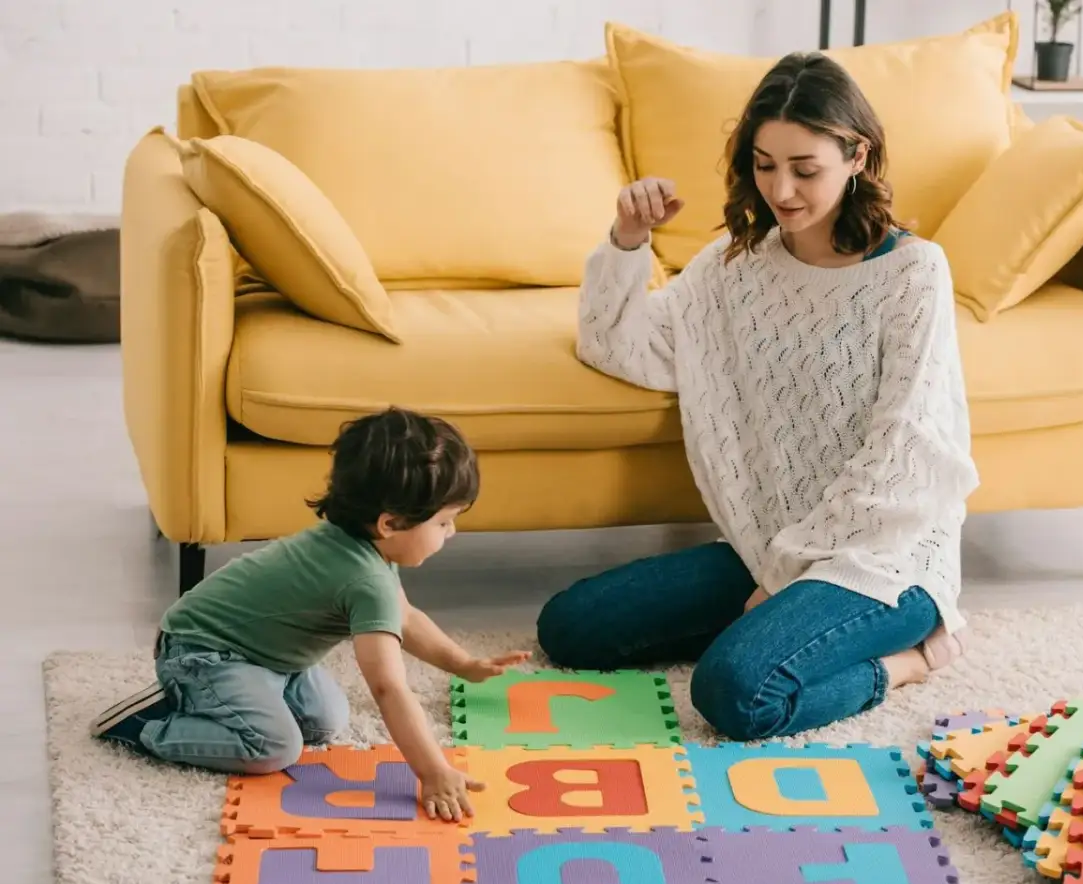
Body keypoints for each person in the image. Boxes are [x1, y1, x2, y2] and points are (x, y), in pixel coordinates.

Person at [537, 51, 980, 741]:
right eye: (765, 164)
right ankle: (780, 624)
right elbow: (617, 347)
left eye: (805, 169)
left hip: (882, 560)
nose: (782, 189)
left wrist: (783, 577)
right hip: (764, 544)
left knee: (736, 692)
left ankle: (911, 661)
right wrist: (628, 240)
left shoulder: (912, 272)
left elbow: (903, 450)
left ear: (858, 156)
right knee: (570, 628)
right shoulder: (734, 267)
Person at [90, 407, 530, 822]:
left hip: (267, 655)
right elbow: (388, 687)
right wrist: (433, 771)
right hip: (203, 649)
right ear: (389, 524)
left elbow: (406, 617)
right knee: (274, 749)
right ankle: (150, 724)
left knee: (326, 722)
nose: (452, 532)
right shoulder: (364, 578)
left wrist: (461, 664)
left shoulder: (364, 545)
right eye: (443, 522)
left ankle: (239, 695)